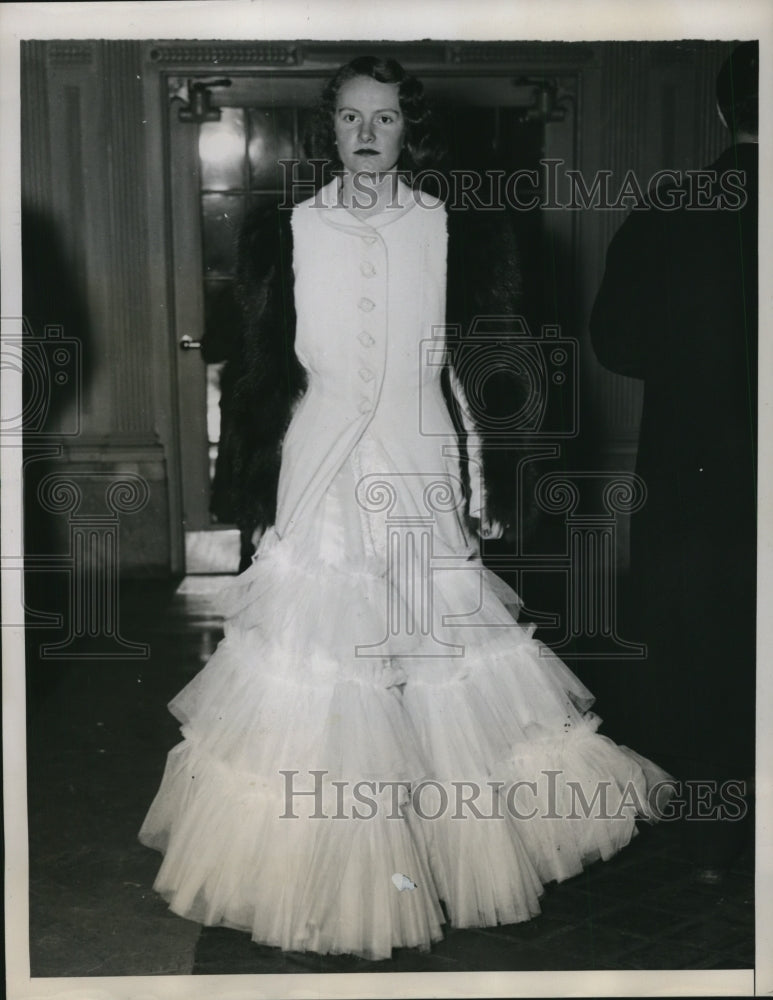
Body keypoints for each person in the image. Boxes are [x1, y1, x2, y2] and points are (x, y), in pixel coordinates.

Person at [140, 56, 671, 960]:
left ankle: (433, 856)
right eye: (350, 118)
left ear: (406, 130)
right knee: (327, 671)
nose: (366, 134)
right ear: (330, 128)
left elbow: (486, 364)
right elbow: (263, 373)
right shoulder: (288, 229)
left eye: (383, 119)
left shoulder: (456, 227)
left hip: (420, 463)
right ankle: (321, 871)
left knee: (437, 666)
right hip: (319, 471)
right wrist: (259, 490)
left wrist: (482, 480)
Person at [589, 43, 757, 877]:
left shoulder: (669, 208)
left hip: (692, 480)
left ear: (723, 111)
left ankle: (710, 845)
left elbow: (615, 342)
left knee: (701, 654)